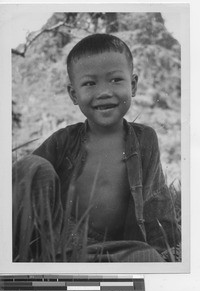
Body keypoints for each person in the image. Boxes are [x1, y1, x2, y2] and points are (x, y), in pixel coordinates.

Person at [13, 33, 180, 262]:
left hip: (117, 249)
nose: (103, 92)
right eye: (90, 83)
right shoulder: (63, 140)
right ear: (74, 94)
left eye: (115, 80)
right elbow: (27, 183)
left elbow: (157, 202)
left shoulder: (145, 140)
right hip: (59, 246)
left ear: (133, 85)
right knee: (32, 164)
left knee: (146, 257)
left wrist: (168, 253)